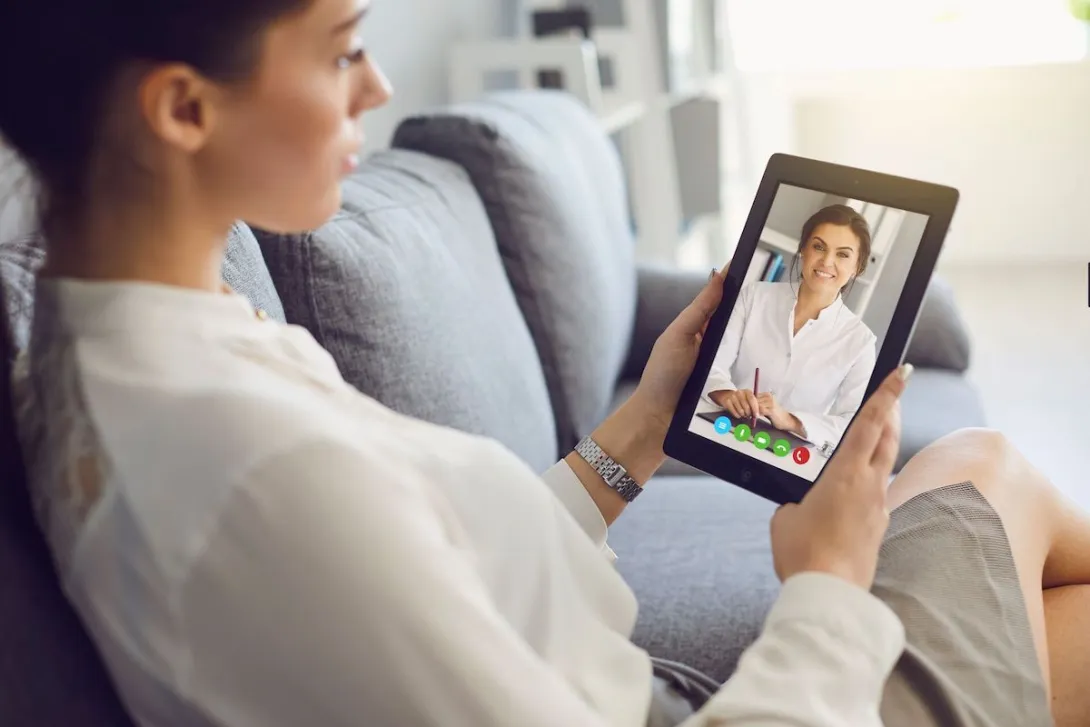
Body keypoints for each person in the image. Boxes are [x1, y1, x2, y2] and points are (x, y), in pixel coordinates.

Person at [2, 2, 1089, 726]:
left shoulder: (136, 336)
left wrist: (640, 430)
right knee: (985, 466)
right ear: (184, 107)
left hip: (630, 685)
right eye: (340, 48)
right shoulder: (247, 472)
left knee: (1039, 593)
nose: (377, 85)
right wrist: (826, 585)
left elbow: (438, 562)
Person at [705, 205, 878, 452]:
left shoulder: (861, 343)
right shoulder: (754, 296)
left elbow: (852, 423)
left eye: (843, 255)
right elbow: (710, 363)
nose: (827, 262)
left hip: (790, 455)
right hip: (727, 431)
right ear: (803, 250)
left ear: (857, 268)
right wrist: (726, 395)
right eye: (819, 247)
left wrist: (790, 420)